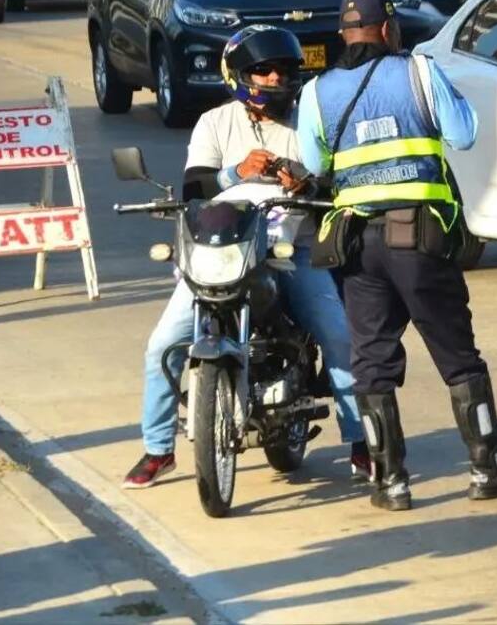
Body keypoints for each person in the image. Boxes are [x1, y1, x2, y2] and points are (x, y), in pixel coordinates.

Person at [297, 0, 497, 512]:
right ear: (387, 29)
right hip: (419, 239)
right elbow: (464, 133)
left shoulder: (317, 92)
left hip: (357, 245)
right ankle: (487, 469)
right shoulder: (419, 72)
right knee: (458, 357)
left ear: (345, 35)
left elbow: (312, 163)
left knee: (372, 363)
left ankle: (390, 483)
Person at [123, 25, 368, 488]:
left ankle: (361, 444)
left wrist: (306, 183)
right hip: (220, 251)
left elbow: (338, 183)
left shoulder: (310, 121)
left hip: (287, 250)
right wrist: (235, 172)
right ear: (238, 76)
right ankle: (158, 449)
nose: (276, 78)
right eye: (264, 70)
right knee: (161, 346)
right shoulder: (215, 123)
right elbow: (193, 189)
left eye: (285, 70)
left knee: (338, 335)